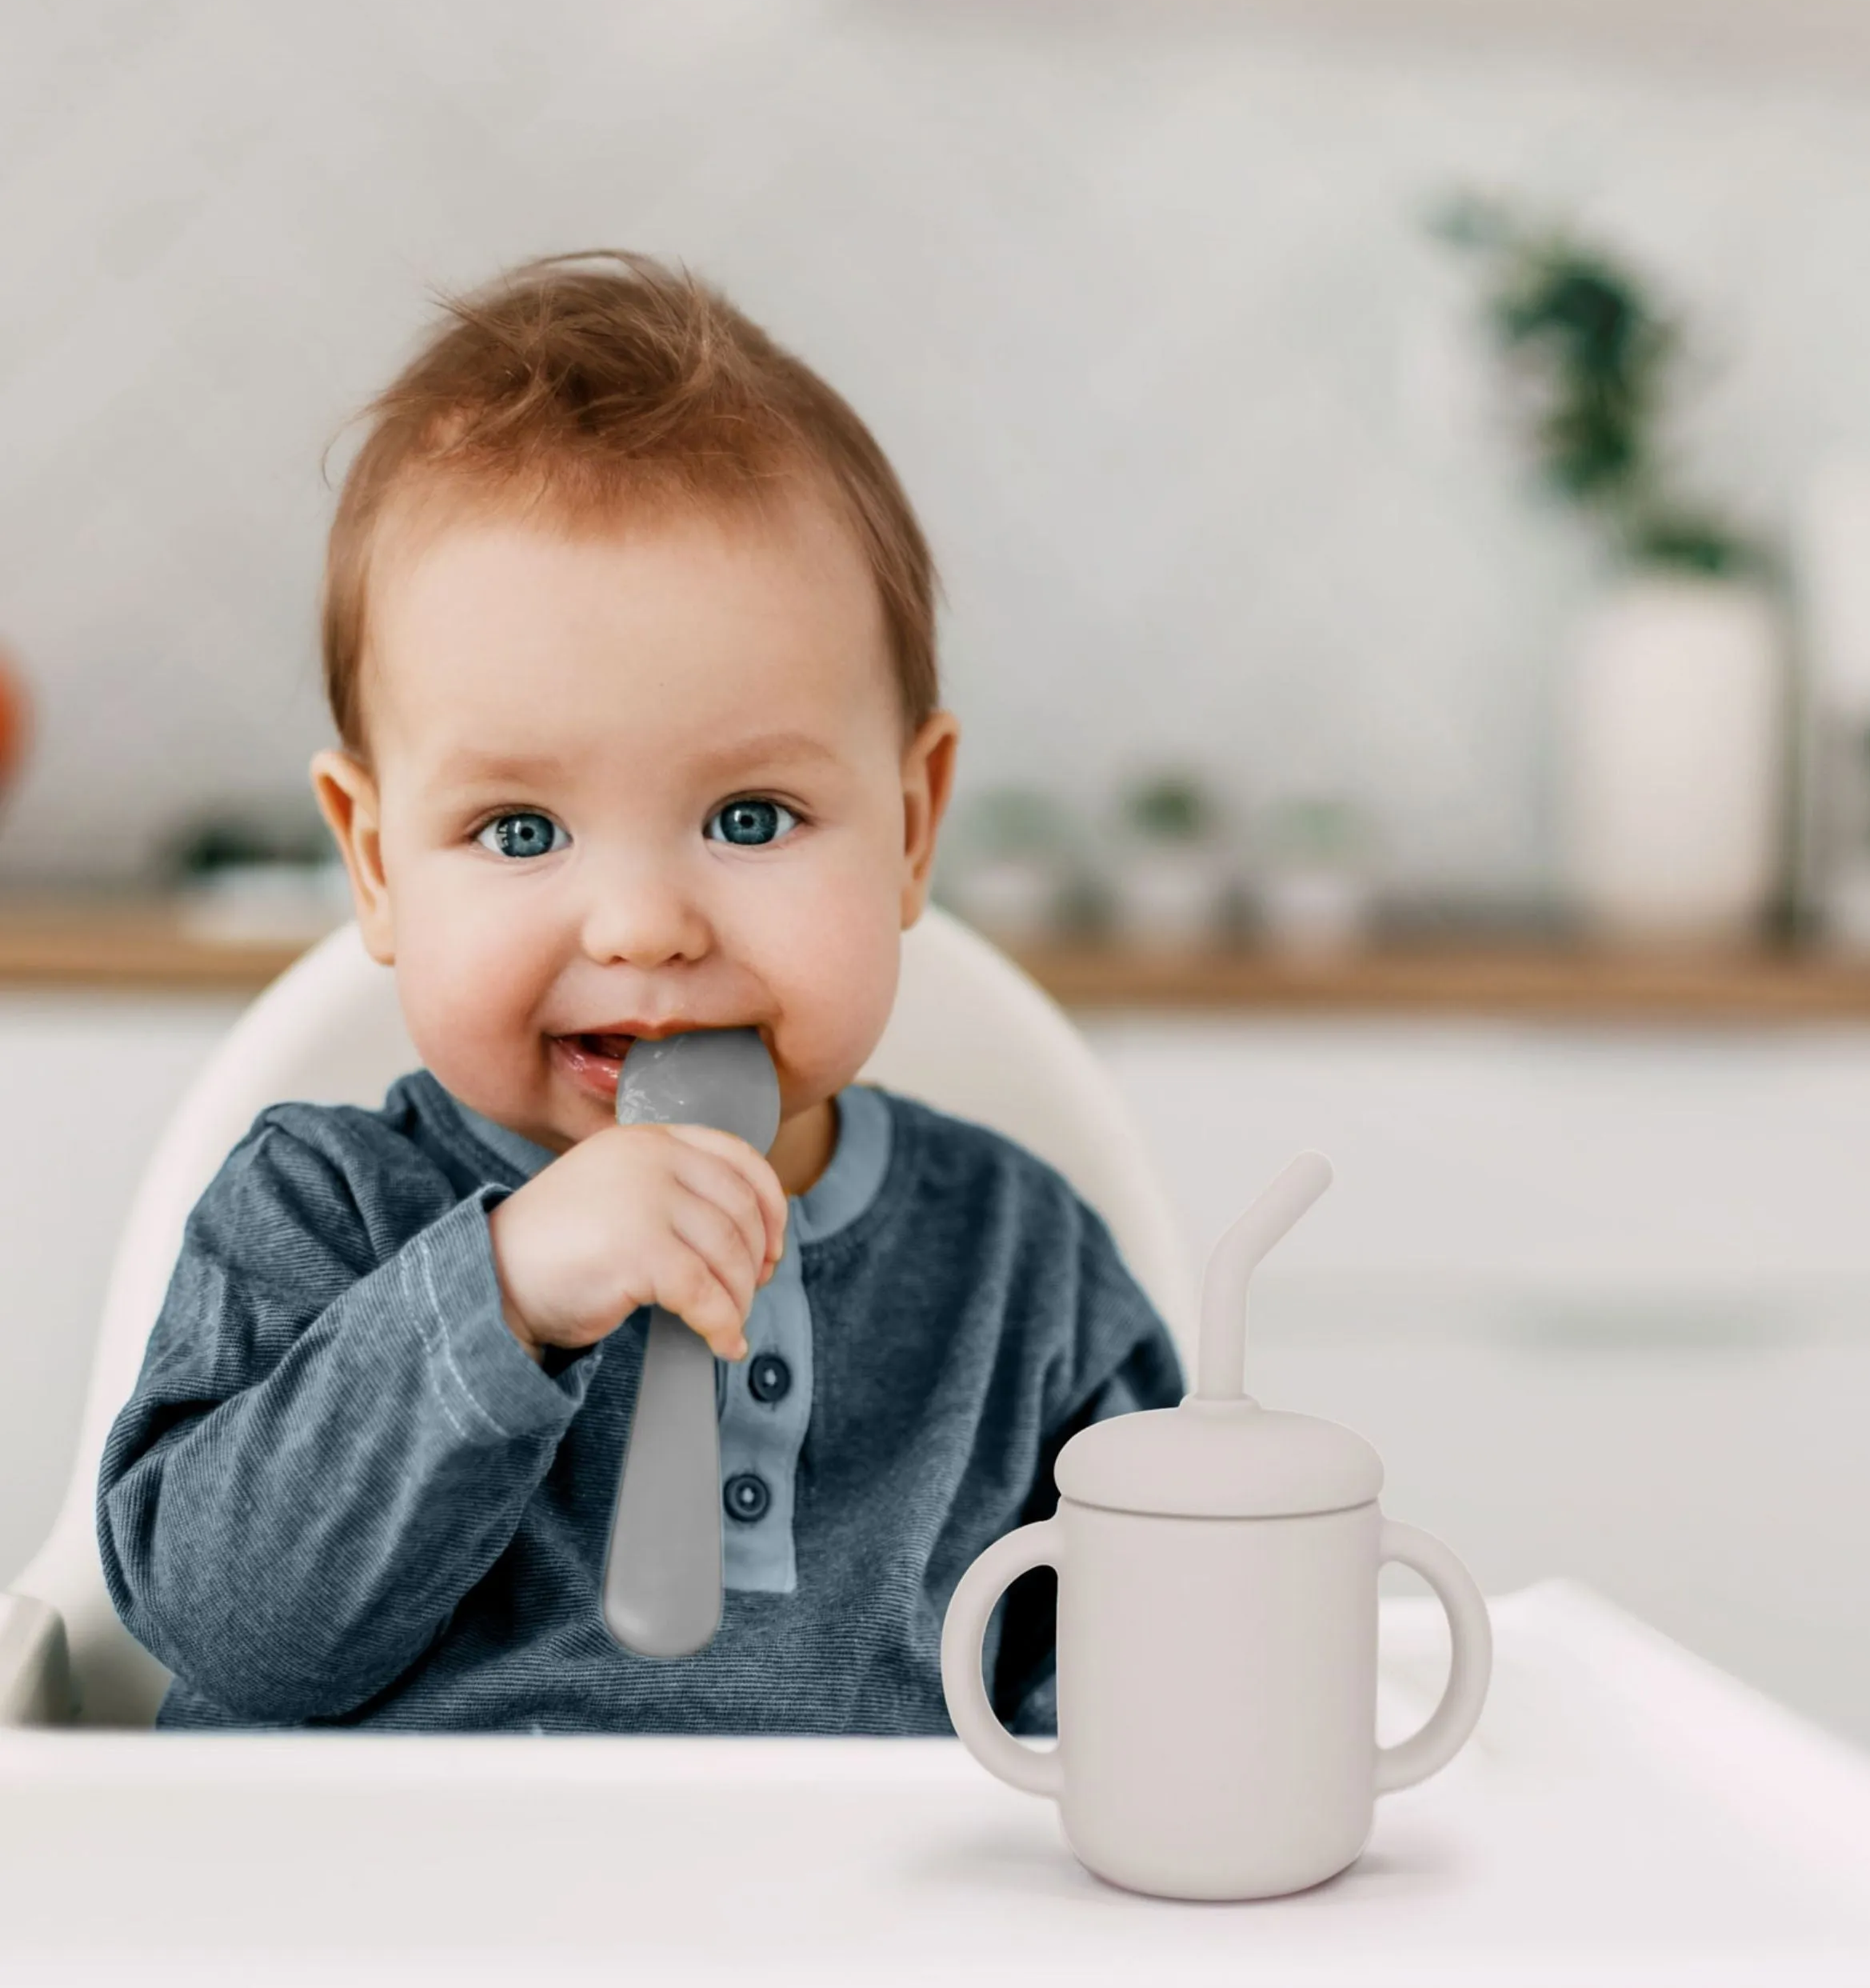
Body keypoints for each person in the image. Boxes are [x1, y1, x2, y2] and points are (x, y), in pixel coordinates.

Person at [95, 252, 1183, 1732]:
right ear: (374, 863)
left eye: (748, 817)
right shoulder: (315, 1217)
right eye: (520, 831)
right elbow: (232, 1634)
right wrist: (505, 1297)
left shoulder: (1026, 1275)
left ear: (914, 827)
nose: (646, 925)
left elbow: (1147, 1713)